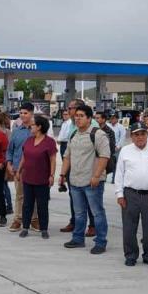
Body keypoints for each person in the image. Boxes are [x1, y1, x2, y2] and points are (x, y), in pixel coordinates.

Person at [59, 105, 111, 254]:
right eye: (76, 116)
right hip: (75, 181)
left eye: (81, 115)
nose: (77, 118)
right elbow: (67, 156)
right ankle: (78, 238)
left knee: (97, 213)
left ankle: (100, 242)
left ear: (89, 118)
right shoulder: (74, 134)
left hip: (92, 182)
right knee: (79, 213)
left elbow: (104, 156)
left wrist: (96, 176)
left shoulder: (98, 134)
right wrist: (62, 175)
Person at [116, 122, 148, 267]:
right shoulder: (125, 151)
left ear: (147, 134)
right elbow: (119, 174)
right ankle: (131, 255)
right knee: (129, 228)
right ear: (131, 136)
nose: (140, 137)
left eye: (143, 134)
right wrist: (119, 194)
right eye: (136, 134)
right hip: (130, 194)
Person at [17, 114, 57, 239]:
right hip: (28, 177)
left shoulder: (49, 142)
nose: (30, 126)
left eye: (33, 124)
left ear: (39, 127)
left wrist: (51, 175)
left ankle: (44, 228)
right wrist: (19, 170)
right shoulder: (29, 140)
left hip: (42, 179)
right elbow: (24, 156)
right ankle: (25, 227)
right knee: (27, 204)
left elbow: (53, 160)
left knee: (42, 204)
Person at [7, 102, 40, 232]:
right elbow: (10, 150)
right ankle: (18, 219)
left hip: (34, 169)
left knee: (34, 195)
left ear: (32, 113)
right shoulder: (16, 131)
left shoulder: (37, 130)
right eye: (21, 113)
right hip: (18, 169)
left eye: (25, 113)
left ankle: (34, 220)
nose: (22, 115)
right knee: (20, 195)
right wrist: (9, 163)